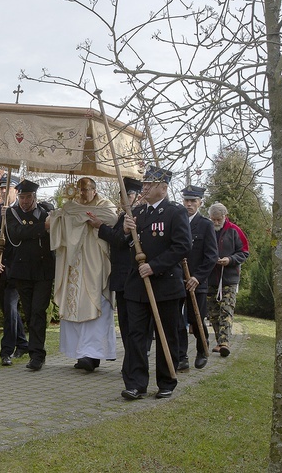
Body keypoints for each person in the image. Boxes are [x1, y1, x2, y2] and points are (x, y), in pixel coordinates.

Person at [121, 165, 191, 400]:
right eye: (145, 184)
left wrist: (155, 266)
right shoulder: (137, 213)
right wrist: (124, 230)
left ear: (163, 188)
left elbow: (182, 245)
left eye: (150, 184)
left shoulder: (175, 212)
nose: (145, 187)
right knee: (136, 335)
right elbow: (123, 244)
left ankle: (166, 381)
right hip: (137, 286)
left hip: (165, 285)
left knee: (165, 335)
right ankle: (136, 383)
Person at [49, 177, 117, 372]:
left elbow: (112, 218)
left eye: (86, 190)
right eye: (79, 190)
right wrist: (58, 217)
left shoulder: (105, 205)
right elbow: (59, 220)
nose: (82, 194)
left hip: (95, 263)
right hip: (74, 263)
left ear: (94, 190)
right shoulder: (71, 206)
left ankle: (93, 354)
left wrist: (93, 220)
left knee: (95, 306)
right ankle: (80, 353)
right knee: (74, 306)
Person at [87, 176, 143, 381]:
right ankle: (130, 364)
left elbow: (121, 241)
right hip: (121, 278)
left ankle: (134, 365)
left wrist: (100, 227)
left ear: (137, 196)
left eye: (128, 194)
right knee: (127, 325)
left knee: (134, 327)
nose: (124, 198)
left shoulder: (136, 216)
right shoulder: (122, 216)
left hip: (132, 277)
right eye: (122, 194)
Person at [5, 179, 55, 371]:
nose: (25, 201)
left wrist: (49, 221)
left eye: (28, 197)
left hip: (43, 271)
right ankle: (34, 351)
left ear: (35, 197)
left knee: (38, 312)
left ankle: (37, 354)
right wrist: (43, 227)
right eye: (22, 197)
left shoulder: (46, 212)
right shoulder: (12, 214)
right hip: (22, 271)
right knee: (29, 312)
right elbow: (18, 233)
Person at [0, 173, 29, 366]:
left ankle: (6, 351)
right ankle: (22, 342)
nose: (3, 191)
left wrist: (8, 218)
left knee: (10, 307)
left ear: (15, 190)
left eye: (6, 187)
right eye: (1, 187)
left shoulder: (22, 212)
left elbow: (22, 243)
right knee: (8, 309)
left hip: (15, 270)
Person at [177, 185, 218, 370]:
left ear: (200, 202)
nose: (189, 204)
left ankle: (202, 349)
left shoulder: (205, 225)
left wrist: (197, 278)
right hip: (176, 280)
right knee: (177, 322)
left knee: (196, 319)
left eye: (193, 201)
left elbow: (211, 257)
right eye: (186, 200)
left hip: (196, 282)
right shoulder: (177, 221)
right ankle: (181, 356)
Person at [206, 202, 249, 358]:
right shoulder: (207, 229)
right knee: (213, 313)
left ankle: (225, 342)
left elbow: (244, 252)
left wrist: (230, 260)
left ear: (225, 216)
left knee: (226, 309)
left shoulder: (234, 231)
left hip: (229, 278)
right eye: (213, 219)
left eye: (219, 219)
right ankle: (219, 342)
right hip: (210, 278)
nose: (216, 223)